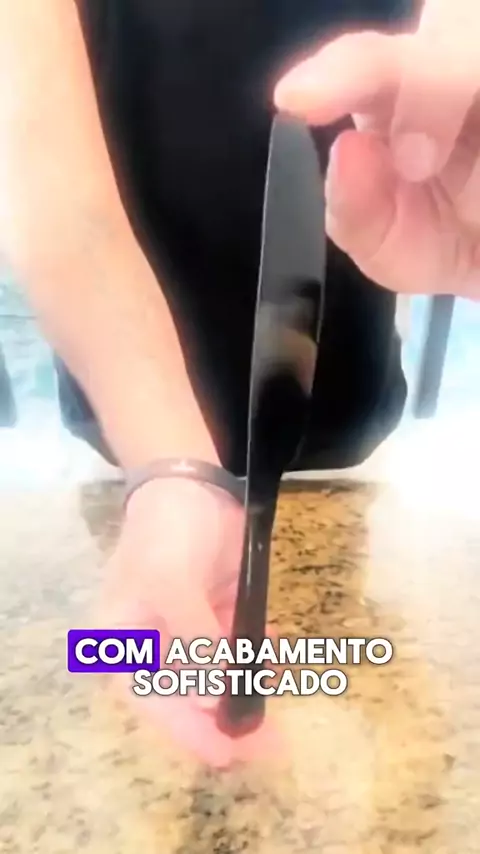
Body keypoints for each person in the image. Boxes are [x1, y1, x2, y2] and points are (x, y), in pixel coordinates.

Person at [0, 0, 478, 766]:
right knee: (138, 681)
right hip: (132, 441)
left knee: (351, 688)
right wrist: (168, 472)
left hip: (343, 426)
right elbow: (48, 177)